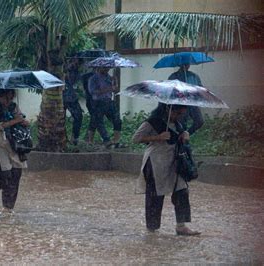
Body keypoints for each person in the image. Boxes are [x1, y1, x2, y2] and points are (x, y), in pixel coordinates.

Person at [132, 103, 200, 236]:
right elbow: (135, 138)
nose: (180, 116)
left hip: (174, 162)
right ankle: (152, 229)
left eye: (182, 114)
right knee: (155, 196)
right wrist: (158, 137)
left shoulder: (179, 124)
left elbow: (178, 140)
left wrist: (184, 135)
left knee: (182, 191)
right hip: (155, 163)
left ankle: (181, 226)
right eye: (178, 113)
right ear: (168, 109)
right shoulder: (152, 122)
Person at [87, 67, 124, 147]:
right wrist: (108, 89)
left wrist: (115, 82)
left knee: (117, 120)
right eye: (105, 68)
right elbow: (92, 91)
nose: (107, 69)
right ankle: (105, 139)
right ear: (100, 67)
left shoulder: (109, 78)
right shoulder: (93, 78)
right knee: (98, 122)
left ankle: (116, 140)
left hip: (109, 101)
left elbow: (115, 90)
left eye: (108, 68)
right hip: (98, 102)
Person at [168, 64, 204, 135]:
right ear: (180, 64)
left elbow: (200, 88)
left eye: (188, 64)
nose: (186, 65)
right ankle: (181, 140)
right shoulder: (174, 76)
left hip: (192, 102)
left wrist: (197, 92)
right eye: (184, 64)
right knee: (181, 124)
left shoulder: (194, 76)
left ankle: (187, 134)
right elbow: (170, 89)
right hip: (180, 104)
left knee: (199, 121)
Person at [63, 59, 83, 145]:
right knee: (60, 118)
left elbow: (74, 82)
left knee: (78, 116)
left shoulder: (76, 71)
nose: (75, 64)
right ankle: (64, 138)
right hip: (61, 97)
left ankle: (74, 138)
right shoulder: (64, 68)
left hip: (71, 97)